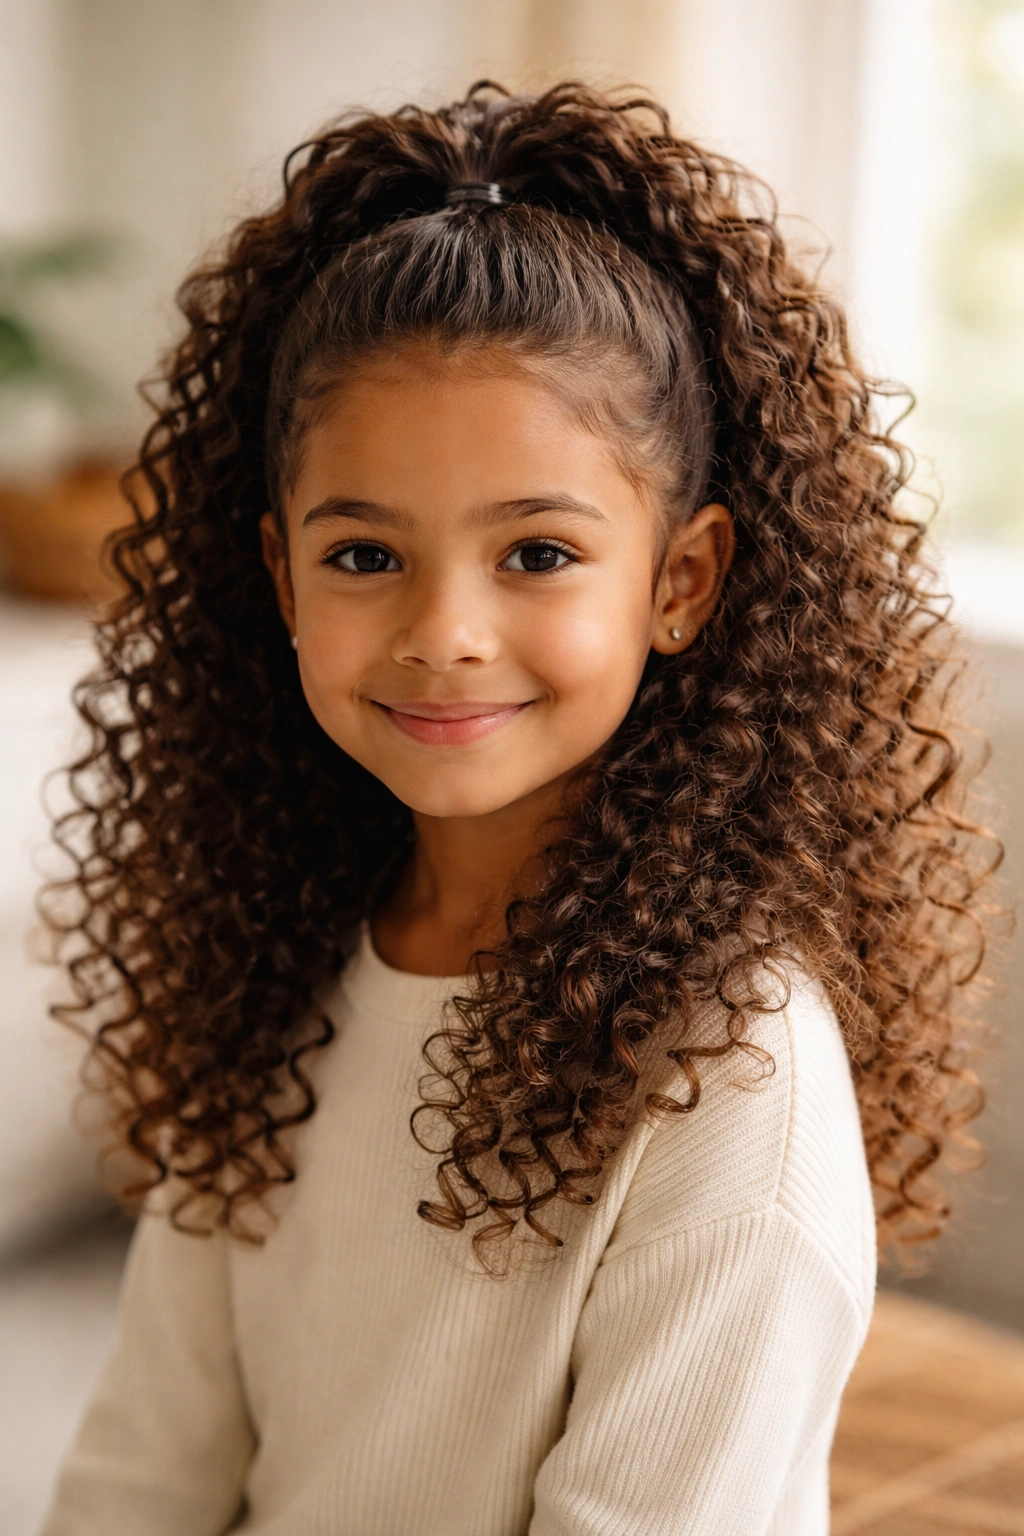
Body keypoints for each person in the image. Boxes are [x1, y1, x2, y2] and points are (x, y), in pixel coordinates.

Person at [39, 82, 995, 1536]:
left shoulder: (732, 1077)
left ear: (680, 581)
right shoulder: (275, 968)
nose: (445, 631)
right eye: (364, 556)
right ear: (284, 580)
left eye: (537, 552)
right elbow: (143, 1473)